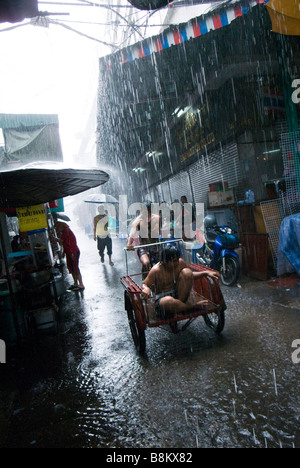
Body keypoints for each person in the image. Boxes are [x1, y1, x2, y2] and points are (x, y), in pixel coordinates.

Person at [141, 243, 219, 318]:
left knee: (187, 272)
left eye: (177, 260)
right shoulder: (156, 270)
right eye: (173, 261)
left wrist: (205, 273)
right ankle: (192, 307)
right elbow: (144, 284)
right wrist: (146, 288)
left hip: (179, 295)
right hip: (163, 300)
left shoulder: (180, 263)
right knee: (168, 301)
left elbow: (189, 276)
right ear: (165, 261)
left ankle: (180, 307)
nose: (176, 263)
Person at [126, 201, 161, 276]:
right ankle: (145, 279)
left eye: (148, 211)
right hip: (143, 247)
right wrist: (129, 244)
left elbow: (160, 231)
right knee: (146, 263)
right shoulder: (137, 221)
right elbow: (132, 233)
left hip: (156, 246)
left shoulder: (157, 218)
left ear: (150, 210)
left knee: (160, 264)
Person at [52, 221, 85, 291]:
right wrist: (64, 251)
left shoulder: (66, 231)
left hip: (73, 251)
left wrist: (53, 237)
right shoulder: (65, 231)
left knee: (75, 268)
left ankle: (81, 284)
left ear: (60, 227)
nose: (57, 231)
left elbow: (61, 241)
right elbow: (65, 242)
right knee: (72, 268)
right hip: (69, 252)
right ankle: (76, 283)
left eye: (57, 229)